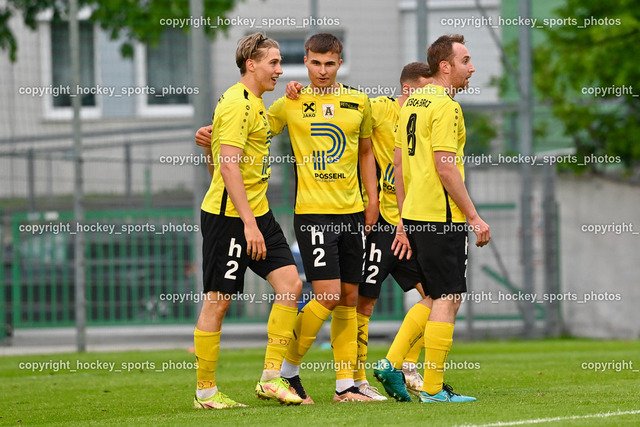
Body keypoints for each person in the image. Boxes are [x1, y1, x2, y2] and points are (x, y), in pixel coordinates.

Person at [376, 34, 491, 403]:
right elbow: (445, 167)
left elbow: (397, 164)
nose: (472, 68)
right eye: (465, 61)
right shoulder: (446, 106)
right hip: (441, 217)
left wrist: (403, 217)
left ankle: (392, 363)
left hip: (415, 215)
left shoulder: (411, 102)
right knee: (448, 296)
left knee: (439, 296)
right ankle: (434, 388)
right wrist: (473, 216)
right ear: (445, 66)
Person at [193, 33, 303, 410]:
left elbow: (219, 161)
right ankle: (206, 393)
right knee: (217, 302)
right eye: (274, 62)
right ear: (251, 65)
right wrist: (248, 225)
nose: (279, 69)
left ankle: (271, 379)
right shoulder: (236, 103)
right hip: (230, 219)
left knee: (290, 284)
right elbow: (227, 168)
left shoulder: (254, 102)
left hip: (257, 213)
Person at [269, 33, 379, 403]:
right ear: (305, 61)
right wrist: (214, 137)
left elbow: (366, 153)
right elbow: (254, 131)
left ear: (339, 63)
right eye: (315, 63)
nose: (322, 70)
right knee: (328, 294)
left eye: (329, 63)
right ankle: (286, 372)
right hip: (314, 214)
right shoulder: (290, 102)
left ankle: (345, 386)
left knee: (349, 296)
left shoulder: (358, 101)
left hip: (352, 213)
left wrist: (372, 201)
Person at [353, 63, 434, 401]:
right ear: (408, 89)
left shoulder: (430, 118)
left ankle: (406, 366)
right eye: (426, 90)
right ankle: (355, 380)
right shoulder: (381, 108)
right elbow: (345, 110)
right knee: (364, 301)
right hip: (381, 226)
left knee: (437, 297)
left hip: (414, 224)